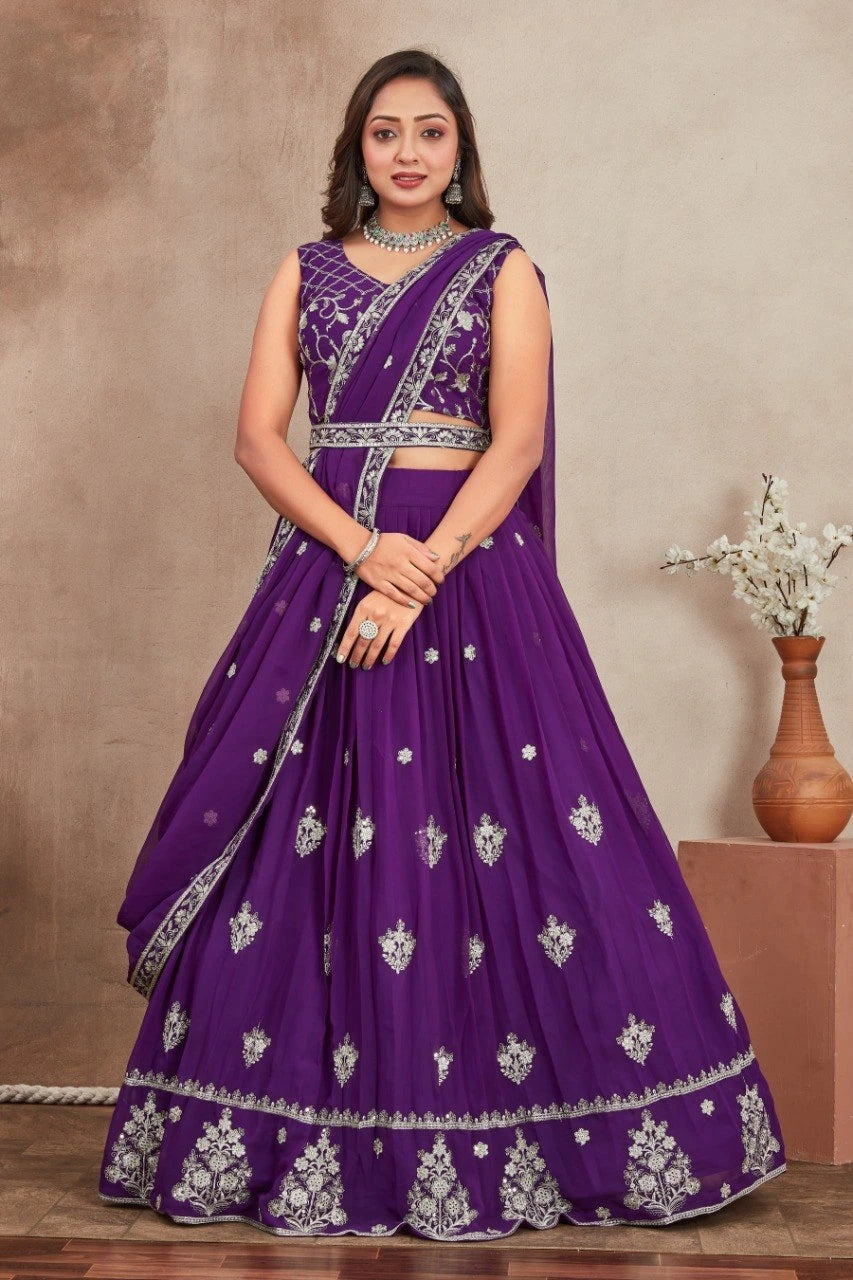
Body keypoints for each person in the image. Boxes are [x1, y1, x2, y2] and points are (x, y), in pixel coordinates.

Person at [98, 48, 787, 1240]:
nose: (407, 152)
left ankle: (567, 1129)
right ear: (354, 152)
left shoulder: (500, 268)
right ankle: (288, 1132)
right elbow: (262, 440)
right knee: (300, 844)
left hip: (473, 580)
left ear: (459, 147)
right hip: (329, 572)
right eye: (383, 133)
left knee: (528, 844)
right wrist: (366, 553)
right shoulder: (303, 271)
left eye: (428, 131)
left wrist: (418, 571)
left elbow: (512, 444)